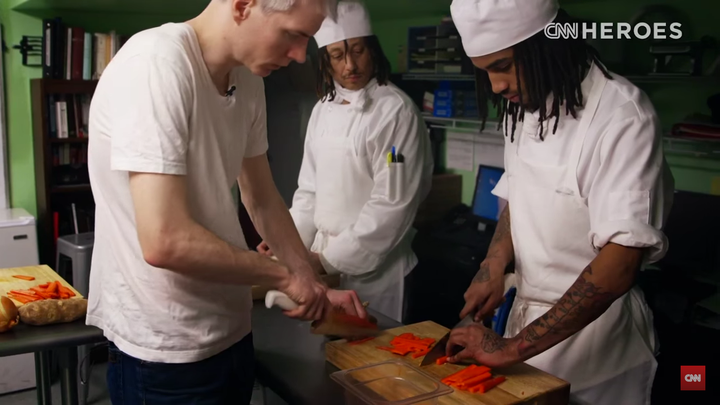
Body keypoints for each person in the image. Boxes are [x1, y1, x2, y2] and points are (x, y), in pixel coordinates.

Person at [86, 0, 369, 404]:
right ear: (242, 6)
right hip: (165, 350)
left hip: (232, 330)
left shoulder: (247, 78)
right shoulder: (155, 64)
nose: (300, 55)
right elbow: (165, 240)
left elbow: (263, 197)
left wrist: (310, 280)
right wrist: (286, 278)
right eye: (293, 34)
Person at [446, 0, 674, 404]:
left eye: (501, 66)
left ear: (546, 45)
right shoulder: (523, 108)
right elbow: (520, 193)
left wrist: (512, 348)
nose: (496, 86)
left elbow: (619, 265)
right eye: (486, 72)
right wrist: (493, 264)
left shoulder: (623, 115)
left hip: (598, 352)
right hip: (526, 333)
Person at [257, 0, 434, 323]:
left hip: (379, 273)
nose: (350, 65)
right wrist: (289, 245)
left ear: (373, 50)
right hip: (323, 263)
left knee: (374, 361)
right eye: (338, 55)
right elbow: (309, 191)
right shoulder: (322, 110)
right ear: (325, 61)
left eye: (358, 51)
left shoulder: (396, 112)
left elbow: (392, 204)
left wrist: (325, 261)